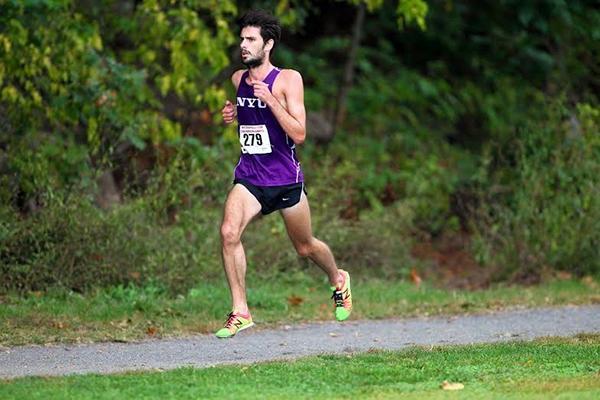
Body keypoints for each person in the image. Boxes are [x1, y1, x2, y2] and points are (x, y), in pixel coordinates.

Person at [216, 10, 352, 339]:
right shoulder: (237, 80)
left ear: (268, 44)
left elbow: (300, 134)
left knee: (305, 247)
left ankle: (338, 279)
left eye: (251, 40)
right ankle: (241, 311)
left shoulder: (289, 80)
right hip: (250, 176)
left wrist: (271, 100)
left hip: (285, 179)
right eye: (242, 39)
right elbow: (249, 120)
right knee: (228, 232)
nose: (243, 45)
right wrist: (232, 115)